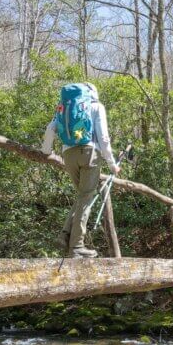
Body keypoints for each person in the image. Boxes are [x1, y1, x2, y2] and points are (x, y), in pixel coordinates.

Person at [41, 82, 120, 258]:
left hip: (68, 155)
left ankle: (64, 235)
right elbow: (104, 138)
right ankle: (76, 247)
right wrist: (112, 163)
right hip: (89, 153)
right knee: (86, 198)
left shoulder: (63, 107)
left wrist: (46, 151)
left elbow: (50, 129)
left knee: (82, 195)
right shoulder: (96, 106)